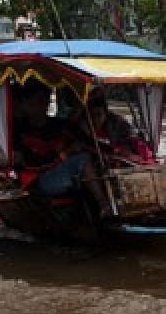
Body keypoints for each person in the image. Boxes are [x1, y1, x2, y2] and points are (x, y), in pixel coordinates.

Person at [11, 79, 111, 214]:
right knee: (82, 159)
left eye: (44, 100)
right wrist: (66, 153)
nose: (40, 105)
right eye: (34, 102)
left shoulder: (58, 125)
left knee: (101, 161)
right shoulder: (20, 132)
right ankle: (106, 207)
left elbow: (86, 141)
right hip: (40, 180)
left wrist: (113, 152)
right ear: (24, 105)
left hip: (64, 173)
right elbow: (30, 163)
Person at [77, 89, 156, 165]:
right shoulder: (84, 123)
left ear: (105, 113)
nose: (97, 119)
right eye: (95, 115)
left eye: (99, 115)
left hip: (126, 147)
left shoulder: (116, 123)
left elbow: (125, 142)